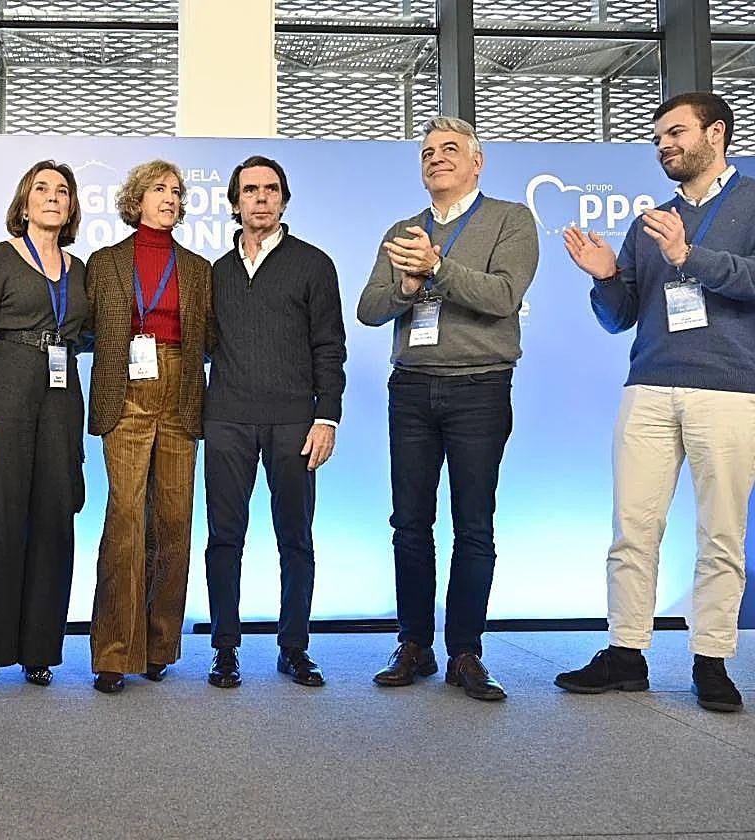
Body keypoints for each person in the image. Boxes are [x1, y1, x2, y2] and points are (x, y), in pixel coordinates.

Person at [558, 92, 755, 713]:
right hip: (647, 387)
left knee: (719, 532)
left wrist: (689, 256)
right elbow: (620, 318)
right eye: (657, 138)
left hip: (727, 389)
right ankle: (626, 652)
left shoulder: (751, 203)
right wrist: (604, 276)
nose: (664, 145)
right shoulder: (649, 222)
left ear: (716, 134)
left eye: (675, 133)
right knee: (632, 529)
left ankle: (713, 659)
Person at [357, 116, 539, 702]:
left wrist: (437, 269)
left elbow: (503, 295)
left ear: (477, 161)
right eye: (428, 152)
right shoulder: (402, 229)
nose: (436, 159)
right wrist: (407, 290)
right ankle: (414, 643)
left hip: (479, 388)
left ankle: (466, 651)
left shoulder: (510, 219)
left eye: (450, 150)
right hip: (410, 389)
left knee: (473, 525)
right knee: (409, 524)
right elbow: (368, 309)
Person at [203, 155, 346, 689]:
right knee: (224, 538)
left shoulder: (313, 264)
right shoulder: (215, 271)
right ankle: (224, 648)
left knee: (296, 538)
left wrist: (326, 417)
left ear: (284, 199)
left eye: (270, 189)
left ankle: (294, 647)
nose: (260, 198)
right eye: (249, 190)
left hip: (294, 422)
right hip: (227, 420)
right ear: (235, 203)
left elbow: (330, 347)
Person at [0, 160, 89, 691]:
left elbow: (91, 333)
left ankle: (40, 648)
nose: (52, 197)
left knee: (54, 520)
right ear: (25, 202)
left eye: (62, 190)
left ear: (73, 206)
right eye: (42, 189)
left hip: (60, 399)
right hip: (5, 391)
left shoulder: (80, 271)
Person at [86, 160, 212, 694]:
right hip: (126, 391)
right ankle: (115, 653)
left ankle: (160, 645)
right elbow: (87, 328)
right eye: (159, 189)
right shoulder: (104, 262)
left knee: (175, 523)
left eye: (177, 191)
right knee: (125, 520)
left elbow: (214, 339)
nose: (170, 197)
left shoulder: (200, 269)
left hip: (183, 388)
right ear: (136, 200)